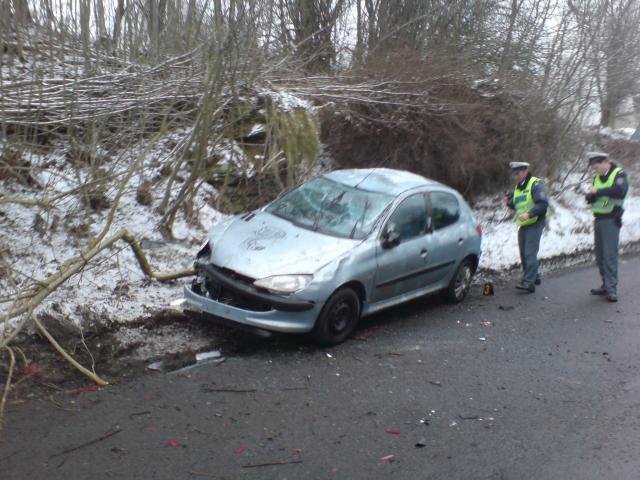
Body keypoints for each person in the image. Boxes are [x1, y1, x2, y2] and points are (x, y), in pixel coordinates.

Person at [584, 151, 629, 302]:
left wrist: (599, 191)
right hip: (598, 219)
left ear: (605, 162)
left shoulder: (619, 174)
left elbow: (620, 192)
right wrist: (590, 196)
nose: (594, 169)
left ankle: (611, 289)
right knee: (600, 257)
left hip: (611, 219)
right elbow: (597, 197)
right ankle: (605, 284)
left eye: (596, 166)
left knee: (609, 256)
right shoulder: (597, 177)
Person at [504, 162, 549, 293]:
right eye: (514, 174)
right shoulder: (518, 187)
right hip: (523, 224)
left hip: (535, 222)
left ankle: (528, 282)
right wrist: (509, 203)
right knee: (524, 254)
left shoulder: (535, 184)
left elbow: (542, 204)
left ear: (525, 171)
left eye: (517, 173)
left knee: (530, 253)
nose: (515, 176)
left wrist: (529, 214)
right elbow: (518, 205)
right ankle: (534, 276)